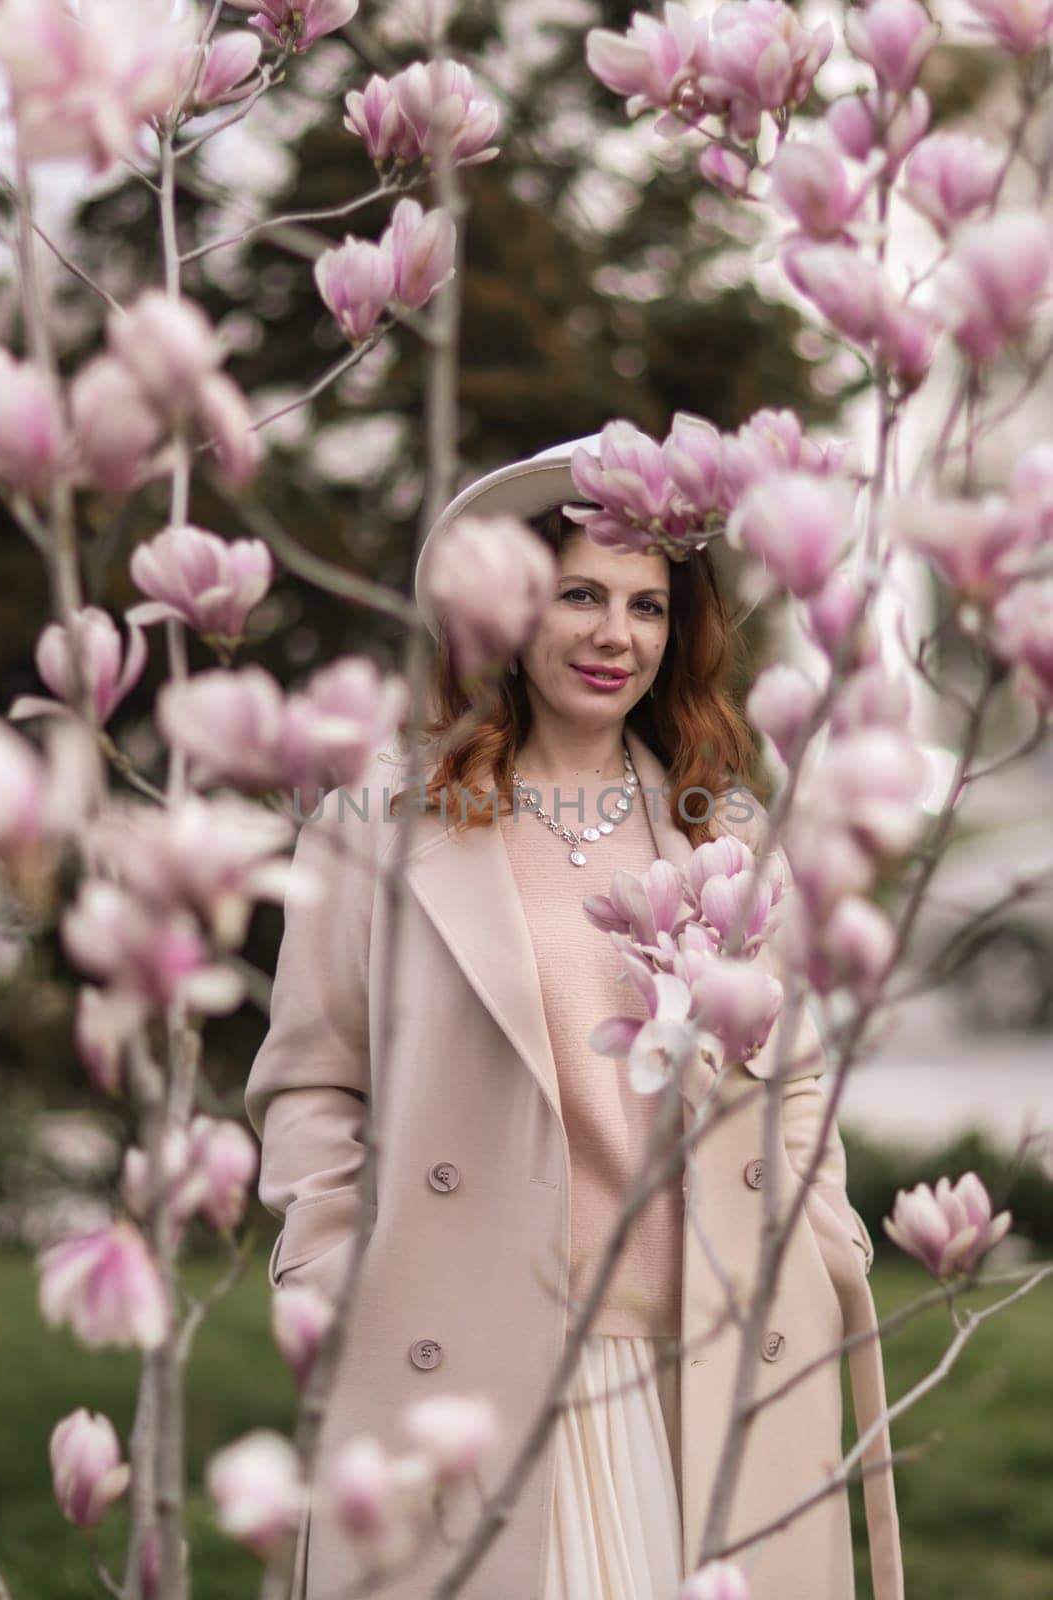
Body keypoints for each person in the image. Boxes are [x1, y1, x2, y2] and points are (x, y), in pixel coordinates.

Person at [244, 436, 905, 1600]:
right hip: (468, 1361)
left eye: (647, 606)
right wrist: (331, 1271)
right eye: (581, 595)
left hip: (701, 1366)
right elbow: (311, 1081)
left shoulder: (725, 833)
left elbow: (792, 1071)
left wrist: (822, 1240)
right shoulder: (375, 825)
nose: (616, 635)